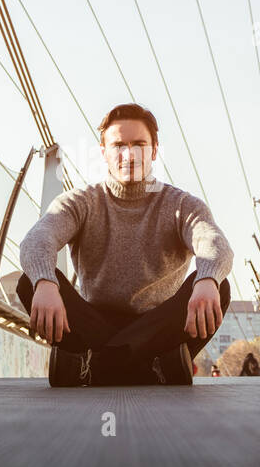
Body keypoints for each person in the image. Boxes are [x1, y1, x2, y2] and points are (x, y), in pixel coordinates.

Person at [18, 103, 233, 387]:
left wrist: (207, 278)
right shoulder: (82, 202)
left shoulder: (180, 204)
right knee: (28, 283)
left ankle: (92, 365)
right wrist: (44, 281)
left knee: (219, 285)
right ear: (104, 152)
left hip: (159, 327)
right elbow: (37, 239)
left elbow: (213, 242)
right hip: (94, 324)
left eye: (139, 145)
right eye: (118, 145)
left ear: (154, 151)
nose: (129, 155)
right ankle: (153, 368)